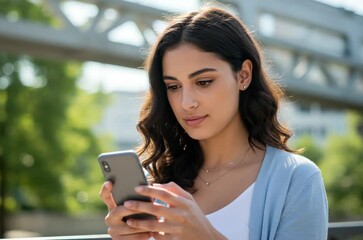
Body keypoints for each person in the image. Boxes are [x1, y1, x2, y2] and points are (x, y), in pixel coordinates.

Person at [99, 5, 328, 240]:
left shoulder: (296, 179)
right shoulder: (158, 187)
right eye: (174, 87)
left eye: (204, 82)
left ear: (244, 75)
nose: (186, 103)